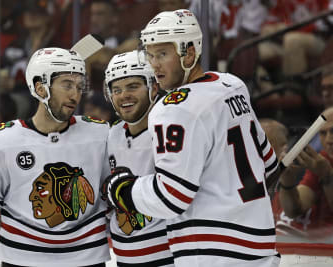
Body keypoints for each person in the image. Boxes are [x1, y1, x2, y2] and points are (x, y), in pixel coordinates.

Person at [103, 9, 281, 266]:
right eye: (150, 55)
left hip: (212, 252)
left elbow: (171, 197)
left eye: (163, 54)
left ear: (189, 52)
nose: (155, 65)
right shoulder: (232, 85)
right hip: (260, 248)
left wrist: (124, 189)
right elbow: (269, 163)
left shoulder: (173, 108)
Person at [0, 47, 111, 267]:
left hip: (87, 260)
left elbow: (109, 194)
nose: (75, 94)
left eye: (78, 86)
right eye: (67, 85)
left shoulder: (101, 134)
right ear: (40, 87)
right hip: (20, 261)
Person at [103, 50, 174, 266]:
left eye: (133, 86)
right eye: (116, 89)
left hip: (169, 258)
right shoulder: (112, 135)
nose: (124, 95)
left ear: (153, 87)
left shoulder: (171, 129)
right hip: (124, 258)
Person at [278, 107, 333, 239]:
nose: (328, 140)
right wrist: (287, 183)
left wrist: (327, 177)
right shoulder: (323, 160)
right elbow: (294, 210)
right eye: (323, 133)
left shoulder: (323, 167)